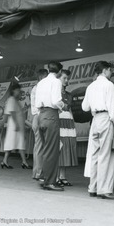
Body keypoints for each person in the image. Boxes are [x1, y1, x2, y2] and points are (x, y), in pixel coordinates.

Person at [82, 61, 114, 200]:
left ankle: (92, 187)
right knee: (105, 155)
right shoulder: (108, 85)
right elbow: (112, 108)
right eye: (110, 71)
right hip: (105, 118)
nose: (111, 74)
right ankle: (104, 190)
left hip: (95, 120)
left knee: (94, 155)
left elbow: (84, 107)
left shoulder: (91, 86)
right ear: (105, 70)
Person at [35, 61, 67, 191]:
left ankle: (44, 177)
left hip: (40, 115)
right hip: (51, 115)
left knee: (44, 148)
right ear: (59, 71)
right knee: (52, 150)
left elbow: (37, 102)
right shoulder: (56, 81)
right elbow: (55, 101)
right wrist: (62, 105)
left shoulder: (41, 82)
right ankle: (50, 181)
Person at [1, 83, 32, 169]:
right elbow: (12, 112)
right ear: (13, 91)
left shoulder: (16, 100)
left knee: (18, 143)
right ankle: (23, 162)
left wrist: (27, 107)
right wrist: (17, 124)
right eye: (18, 90)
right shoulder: (11, 99)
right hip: (14, 126)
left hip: (17, 126)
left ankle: (5, 161)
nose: (19, 92)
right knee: (17, 143)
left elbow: (19, 112)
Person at [57, 69, 78, 187]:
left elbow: (69, 110)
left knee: (65, 148)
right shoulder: (54, 94)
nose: (67, 81)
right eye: (64, 78)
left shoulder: (69, 95)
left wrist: (73, 126)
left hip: (68, 124)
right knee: (58, 148)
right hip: (58, 122)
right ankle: (55, 176)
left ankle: (62, 176)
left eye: (67, 78)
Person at [30, 69, 48, 181]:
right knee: (40, 146)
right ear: (42, 77)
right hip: (39, 116)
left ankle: (38, 171)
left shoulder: (36, 88)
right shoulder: (38, 89)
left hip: (37, 117)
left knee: (39, 146)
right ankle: (38, 172)